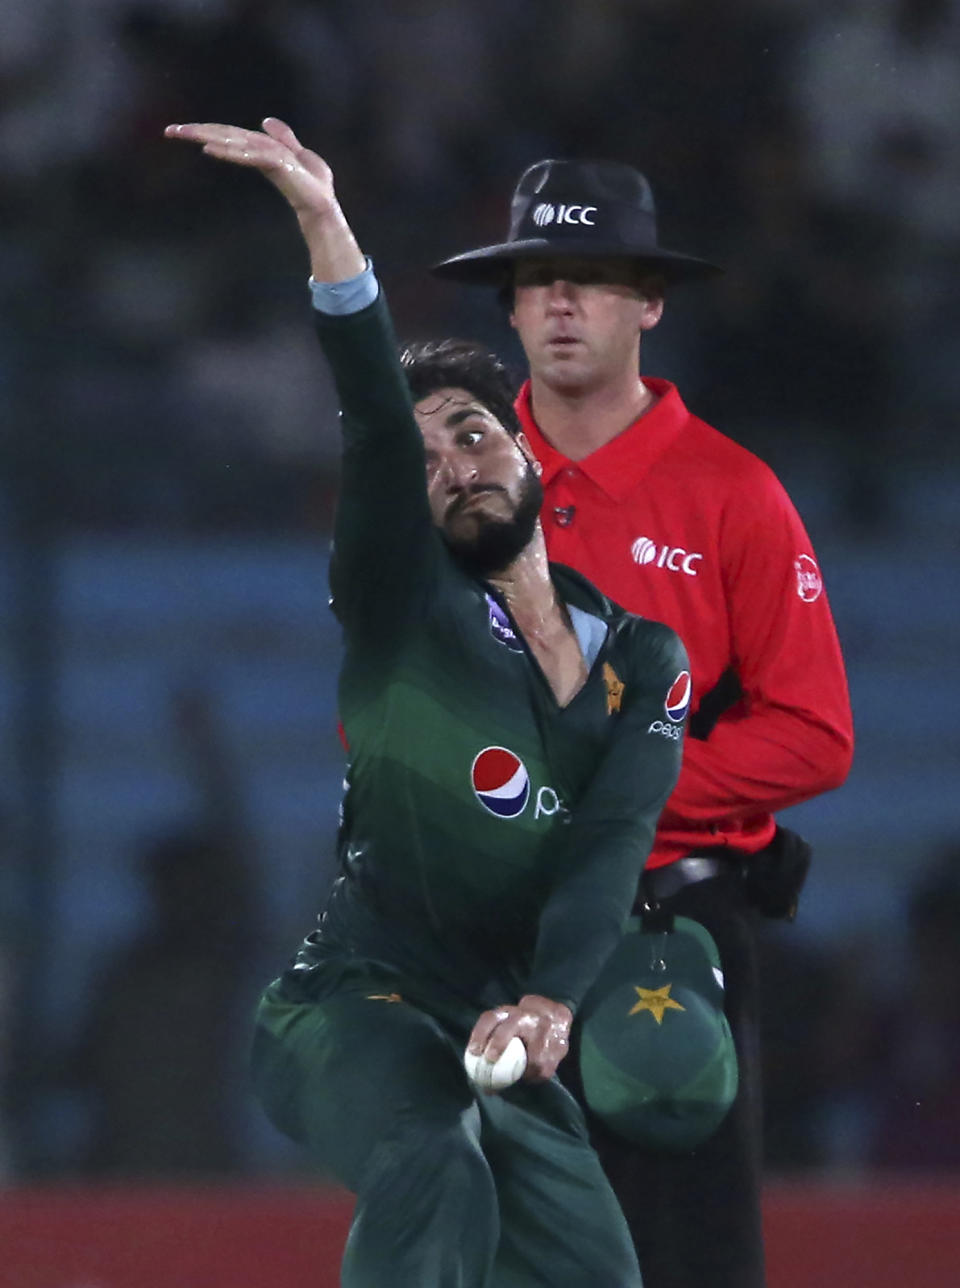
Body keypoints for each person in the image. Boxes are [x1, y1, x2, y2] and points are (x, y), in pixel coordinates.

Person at [166, 118, 693, 1287]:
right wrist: (323, 221)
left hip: (503, 1018)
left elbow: (613, 839)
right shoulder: (407, 604)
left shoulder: (645, 658)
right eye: (426, 461)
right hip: (347, 1005)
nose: (453, 464)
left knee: (595, 1267)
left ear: (528, 452)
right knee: (433, 1166)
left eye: (470, 433)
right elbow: (366, 406)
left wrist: (553, 999)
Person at [432, 158, 854, 1288]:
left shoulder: (733, 493)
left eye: (596, 278)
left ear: (649, 303)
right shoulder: (445, 489)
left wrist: (624, 791)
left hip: (669, 939)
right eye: (541, 279)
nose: (564, 303)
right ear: (511, 306)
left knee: (686, 1259)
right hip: (489, 937)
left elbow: (815, 733)